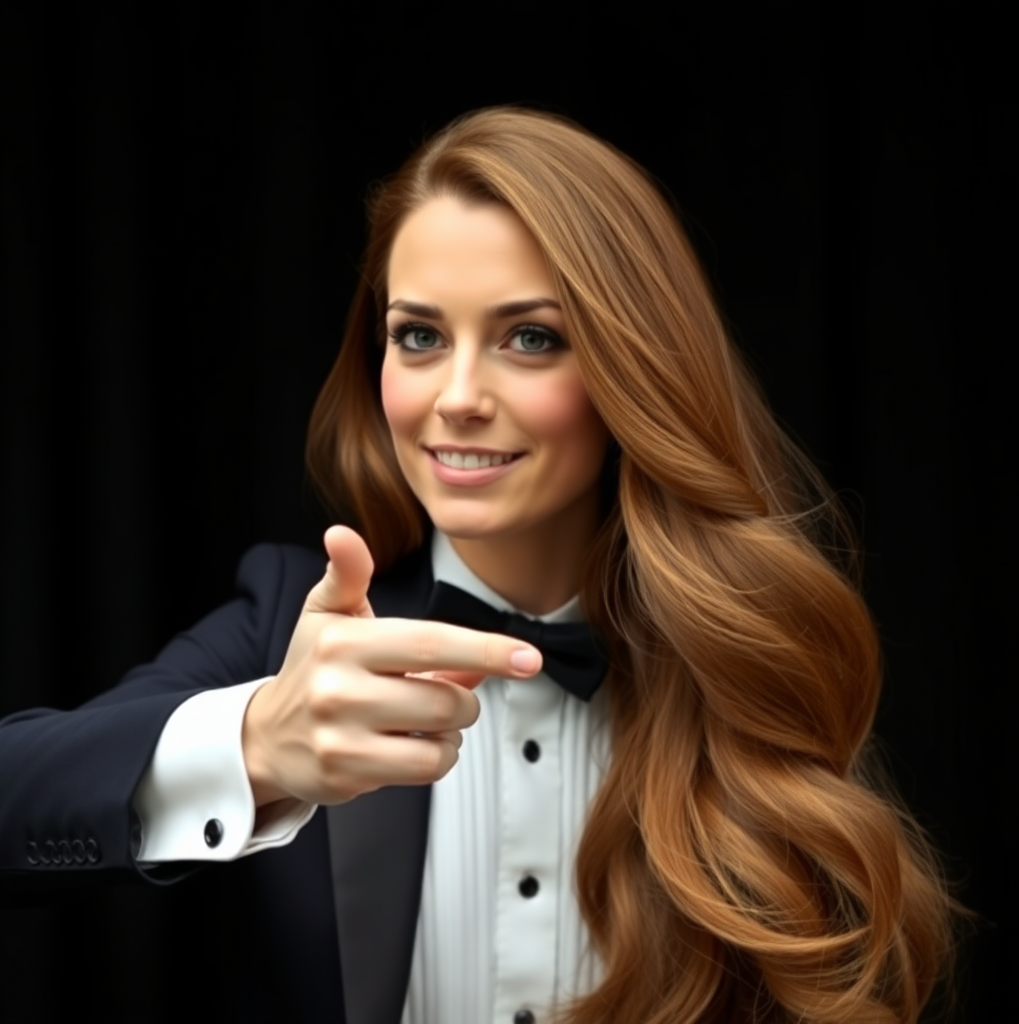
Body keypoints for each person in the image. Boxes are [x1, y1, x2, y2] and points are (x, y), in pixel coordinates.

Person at [0, 108, 957, 1023]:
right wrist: (257, 742)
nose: (457, 397)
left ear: (636, 366)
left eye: (529, 338)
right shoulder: (285, 624)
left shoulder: (741, 660)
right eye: (418, 335)